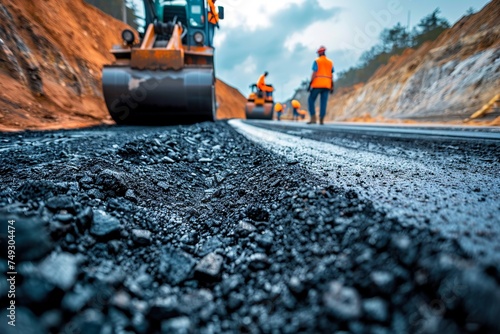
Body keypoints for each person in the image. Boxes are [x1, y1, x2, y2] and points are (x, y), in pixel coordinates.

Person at [307, 45, 334, 125]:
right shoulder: (330, 62)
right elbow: (331, 75)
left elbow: (314, 73)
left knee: (311, 100)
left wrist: (310, 84)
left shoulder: (317, 61)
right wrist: (332, 86)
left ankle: (313, 118)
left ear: (319, 53)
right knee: (323, 102)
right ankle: (321, 119)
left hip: (317, 84)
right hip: (326, 85)